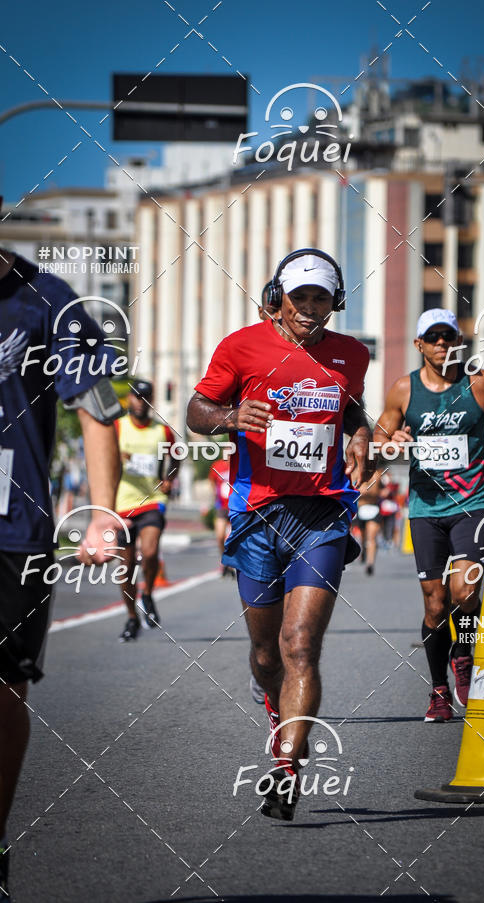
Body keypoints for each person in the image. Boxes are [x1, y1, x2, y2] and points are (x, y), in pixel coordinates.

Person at [187, 248, 371, 820]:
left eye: (321, 298)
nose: (310, 308)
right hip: (257, 516)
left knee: (300, 645)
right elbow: (196, 410)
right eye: (300, 297)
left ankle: (286, 769)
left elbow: (352, 409)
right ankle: (276, 707)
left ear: (335, 303)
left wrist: (361, 434)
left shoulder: (352, 354)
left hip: (322, 516)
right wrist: (227, 418)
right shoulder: (240, 348)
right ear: (278, 299)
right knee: (267, 654)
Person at [0, 234, 122, 900]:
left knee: (3, 691)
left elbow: (96, 406)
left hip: (13, 531)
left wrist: (102, 511)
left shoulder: (46, 300)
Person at [374, 309, 484, 723]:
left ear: (459, 341)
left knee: (465, 592)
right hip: (425, 508)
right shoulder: (404, 389)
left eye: (448, 336)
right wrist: (393, 441)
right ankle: (439, 690)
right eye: (433, 337)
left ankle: (463, 656)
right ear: (419, 344)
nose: (441, 343)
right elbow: (380, 437)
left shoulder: (481, 383)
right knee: (435, 605)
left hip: (472, 503)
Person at [115, 379, 179, 641]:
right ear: (129, 399)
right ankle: (132, 617)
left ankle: (149, 593)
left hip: (152, 500)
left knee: (150, 551)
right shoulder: (117, 428)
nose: (140, 402)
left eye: (146, 397)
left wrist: (169, 479)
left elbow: (177, 455)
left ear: (151, 401)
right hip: (122, 504)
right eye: (136, 397)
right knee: (126, 567)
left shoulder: (162, 431)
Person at [208, 457, 233, 577]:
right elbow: (212, 482)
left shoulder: (240, 463)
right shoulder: (217, 466)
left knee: (233, 537)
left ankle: (234, 562)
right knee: (220, 535)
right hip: (222, 506)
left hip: (236, 507)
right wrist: (215, 497)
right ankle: (225, 560)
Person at [357, 472, 383, 576]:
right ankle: (364, 550)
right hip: (360, 509)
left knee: (371, 537)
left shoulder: (376, 474)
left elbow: (376, 491)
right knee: (363, 537)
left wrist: (364, 491)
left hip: (373, 509)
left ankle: (370, 563)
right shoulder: (356, 471)